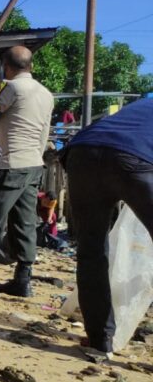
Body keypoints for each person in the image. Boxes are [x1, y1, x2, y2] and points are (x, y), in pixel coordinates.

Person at [60, 97, 153, 361]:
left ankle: (100, 340)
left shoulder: (142, 105)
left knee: (91, 251)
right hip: (133, 158)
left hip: (82, 152)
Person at [0, 46, 54, 299]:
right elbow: (43, 133)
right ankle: (23, 280)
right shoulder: (46, 93)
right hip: (33, 164)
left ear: (5, 67)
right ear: (31, 66)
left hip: (10, 164)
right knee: (25, 222)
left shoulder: (12, 89)